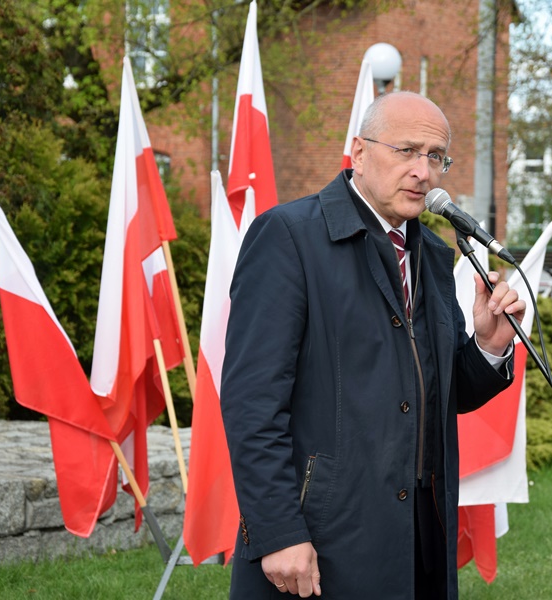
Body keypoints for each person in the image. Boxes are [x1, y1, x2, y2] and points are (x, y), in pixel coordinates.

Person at [220, 91, 525, 600]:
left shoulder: (428, 249)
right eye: (406, 150)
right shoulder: (289, 236)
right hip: (322, 534)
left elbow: (441, 391)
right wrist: (278, 532)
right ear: (359, 153)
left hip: (417, 531)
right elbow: (252, 404)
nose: (423, 172)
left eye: (436, 157)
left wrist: (489, 347)